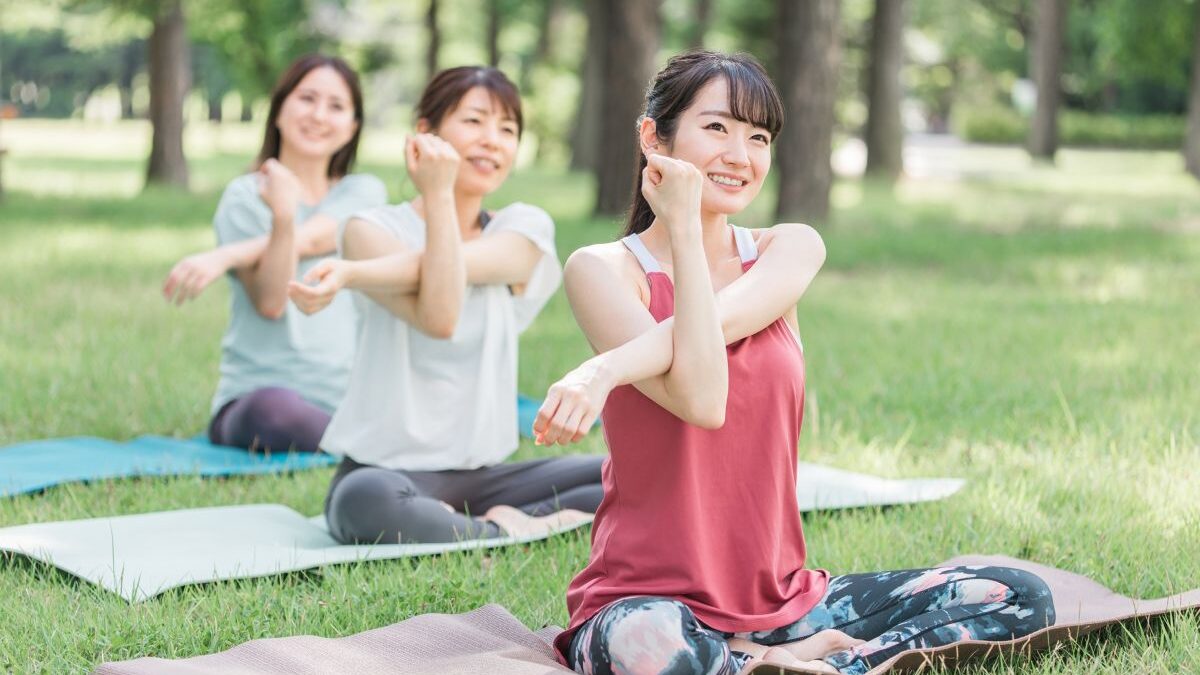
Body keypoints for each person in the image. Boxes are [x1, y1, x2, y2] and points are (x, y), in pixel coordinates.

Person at [533, 50, 1055, 675]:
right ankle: (774, 663)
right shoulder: (602, 270)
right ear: (654, 137)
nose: (740, 155)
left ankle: (806, 662)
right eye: (717, 127)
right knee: (649, 649)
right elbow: (703, 397)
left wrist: (605, 369)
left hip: (785, 601)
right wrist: (678, 228)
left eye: (759, 137)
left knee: (1019, 596)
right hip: (647, 604)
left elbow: (717, 323)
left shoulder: (790, 248)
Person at [287, 66, 602, 544]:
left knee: (623, 473)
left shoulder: (522, 228)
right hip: (386, 473)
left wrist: (352, 273)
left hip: (483, 474)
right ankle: (507, 528)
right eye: (474, 121)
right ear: (426, 135)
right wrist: (437, 194)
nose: (492, 140)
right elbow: (440, 316)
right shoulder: (367, 229)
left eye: (508, 129)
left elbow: (451, 267)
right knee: (363, 501)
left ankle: (480, 525)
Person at [161, 54, 386, 453]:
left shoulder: (364, 193)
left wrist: (227, 255)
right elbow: (271, 301)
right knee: (273, 410)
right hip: (257, 400)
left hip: (348, 400)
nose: (319, 115)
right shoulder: (245, 197)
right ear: (279, 110)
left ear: (352, 128)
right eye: (307, 99)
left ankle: (356, 438)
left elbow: (323, 235)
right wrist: (282, 217)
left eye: (336, 106)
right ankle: (366, 448)